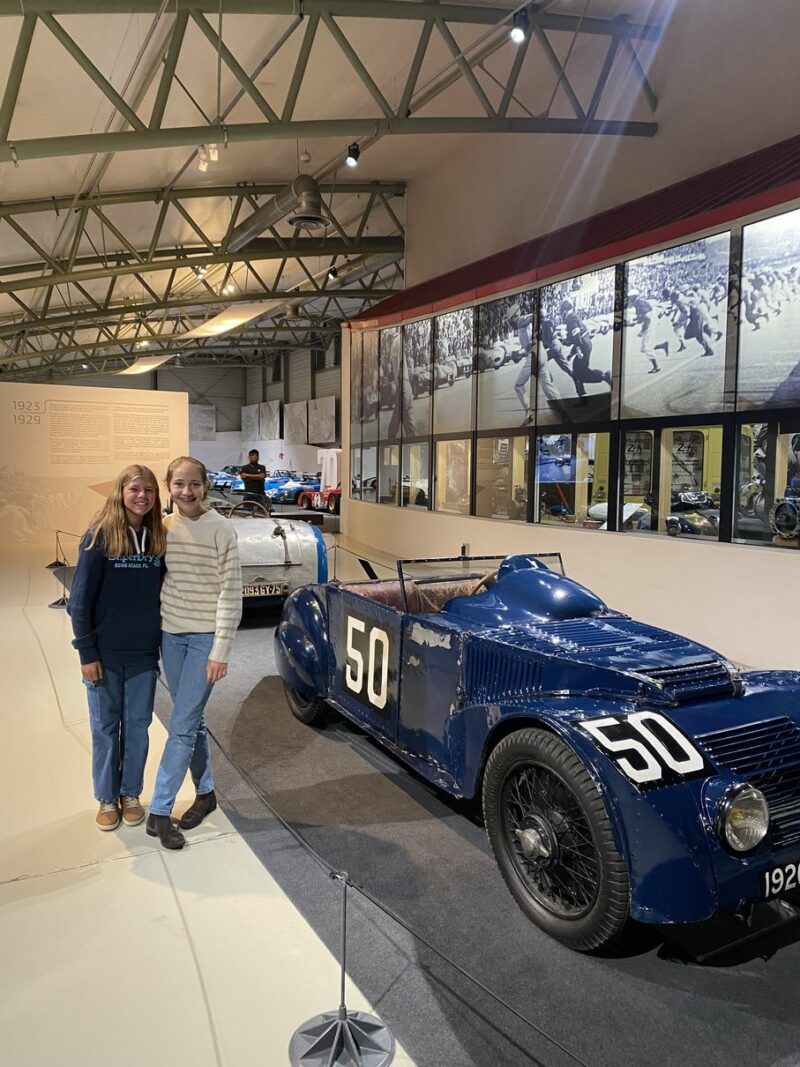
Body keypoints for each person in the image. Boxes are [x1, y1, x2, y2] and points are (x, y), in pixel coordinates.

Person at [146, 456, 242, 850]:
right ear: (169, 487)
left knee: (182, 724)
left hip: (205, 640)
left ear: (206, 486)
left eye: (194, 484)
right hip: (171, 636)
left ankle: (159, 810)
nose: (187, 492)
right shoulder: (164, 528)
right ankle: (206, 794)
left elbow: (230, 593)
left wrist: (220, 650)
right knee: (193, 719)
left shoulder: (221, 530)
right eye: (179, 484)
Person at [69, 465, 166, 831]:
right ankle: (107, 797)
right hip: (105, 654)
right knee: (105, 727)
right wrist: (86, 653)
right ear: (120, 492)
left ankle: (130, 793)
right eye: (135, 489)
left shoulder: (158, 538)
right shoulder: (99, 536)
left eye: (149, 490)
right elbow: (80, 601)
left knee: (138, 727)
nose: (142, 496)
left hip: (143, 653)